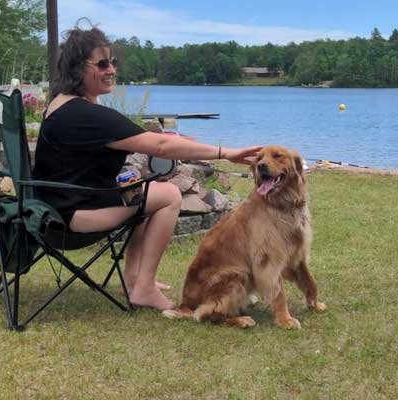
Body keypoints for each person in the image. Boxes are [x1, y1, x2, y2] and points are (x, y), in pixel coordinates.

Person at [31, 24, 262, 311]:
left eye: (113, 62)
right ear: (78, 68)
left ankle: (133, 279)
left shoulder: (62, 104)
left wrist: (170, 140)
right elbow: (159, 148)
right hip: (70, 217)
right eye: (102, 63)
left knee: (136, 190)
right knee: (169, 196)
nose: (111, 69)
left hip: (54, 206)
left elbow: (150, 139)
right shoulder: (84, 114)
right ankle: (143, 288)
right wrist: (225, 152)